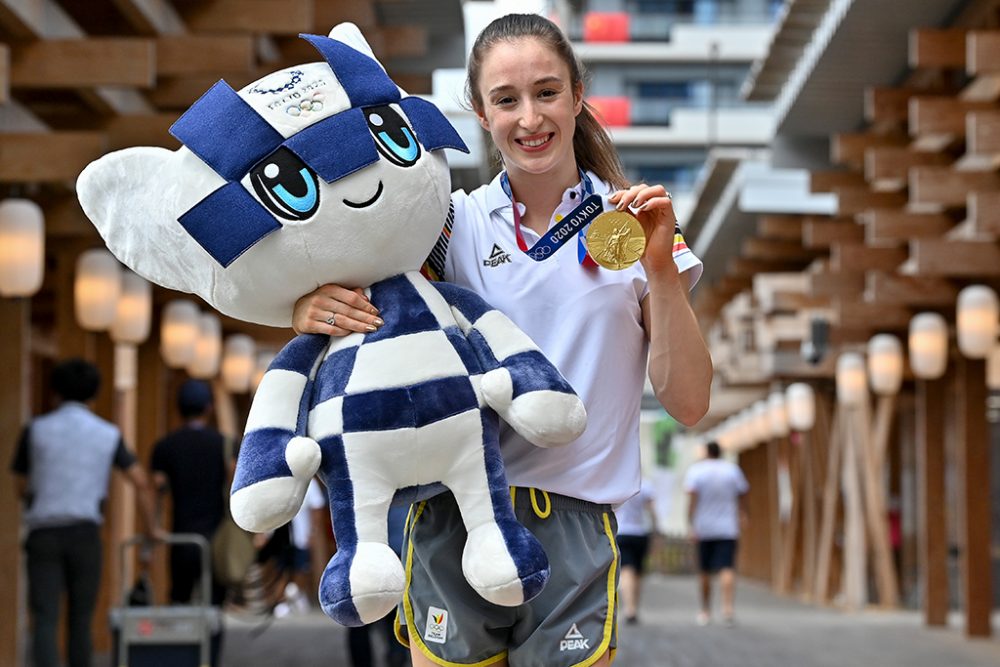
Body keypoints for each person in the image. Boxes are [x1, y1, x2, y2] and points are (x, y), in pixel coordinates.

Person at [292, 13, 712, 667]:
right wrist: (312, 307)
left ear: (578, 94)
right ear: (481, 114)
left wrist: (660, 269)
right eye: (506, 99)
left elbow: (687, 402)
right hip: (451, 514)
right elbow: (361, 313)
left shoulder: (638, 225)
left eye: (547, 92)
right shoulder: (445, 223)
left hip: (576, 522)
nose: (530, 118)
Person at [10, 358, 162, 667]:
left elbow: (20, 486)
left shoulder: (36, 430)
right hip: (85, 534)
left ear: (55, 393)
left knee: (45, 617)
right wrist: (151, 528)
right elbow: (141, 482)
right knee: (81, 619)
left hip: (43, 533)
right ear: (93, 395)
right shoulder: (107, 434)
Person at [150, 379, 228, 664]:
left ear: (179, 409)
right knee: (214, 608)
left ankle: (182, 658)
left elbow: (158, 490)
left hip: (181, 538)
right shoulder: (222, 444)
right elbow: (233, 485)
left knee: (179, 602)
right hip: (216, 539)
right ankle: (211, 658)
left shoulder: (165, 447)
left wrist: (152, 530)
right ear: (209, 408)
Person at [684, 441, 748, 627]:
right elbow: (743, 492)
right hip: (728, 526)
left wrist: (690, 523)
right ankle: (727, 609)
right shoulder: (732, 470)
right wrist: (743, 514)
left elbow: (692, 500)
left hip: (704, 527)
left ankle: (705, 610)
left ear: (706, 452)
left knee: (704, 570)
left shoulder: (697, 471)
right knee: (727, 567)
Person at [614, 478, 660, 625]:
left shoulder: (618, 483)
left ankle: (629, 609)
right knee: (638, 572)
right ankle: (634, 607)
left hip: (622, 531)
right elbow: (652, 510)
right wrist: (656, 529)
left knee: (627, 570)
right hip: (640, 532)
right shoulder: (644, 485)